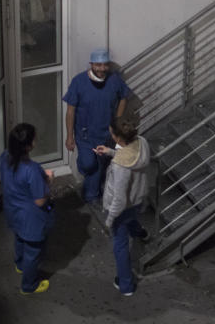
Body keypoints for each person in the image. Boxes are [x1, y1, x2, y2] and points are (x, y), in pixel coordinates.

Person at [63, 49, 132, 204]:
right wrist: (69, 137)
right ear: (91, 64)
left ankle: (91, 195)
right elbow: (70, 111)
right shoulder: (79, 82)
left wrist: (118, 120)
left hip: (106, 133)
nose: (102, 69)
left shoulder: (114, 80)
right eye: (98, 65)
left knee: (100, 165)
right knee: (89, 164)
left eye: (105, 65)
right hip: (85, 134)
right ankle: (91, 186)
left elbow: (124, 97)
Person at [95, 115, 151, 297]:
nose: (111, 136)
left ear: (118, 138)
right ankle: (142, 233)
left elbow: (119, 199)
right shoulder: (142, 142)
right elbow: (130, 156)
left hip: (122, 206)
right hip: (137, 198)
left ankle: (126, 285)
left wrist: (109, 220)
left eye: (112, 133)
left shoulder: (120, 166)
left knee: (120, 244)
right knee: (131, 218)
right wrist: (111, 152)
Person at [0, 123, 55, 295]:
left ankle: (20, 264)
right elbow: (39, 201)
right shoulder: (31, 169)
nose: (36, 140)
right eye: (35, 138)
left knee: (20, 239)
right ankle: (29, 285)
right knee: (33, 251)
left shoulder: (5, 156)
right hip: (31, 219)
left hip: (13, 211)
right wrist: (48, 181)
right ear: (28, 145)